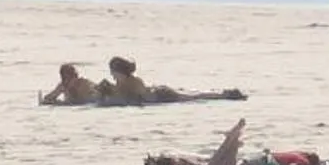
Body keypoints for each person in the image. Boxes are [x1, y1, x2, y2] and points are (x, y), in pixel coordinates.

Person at [141, 118, 329, 165]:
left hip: (257, 160)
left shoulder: (298, 155)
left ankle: (231, 141)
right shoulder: (301, 162)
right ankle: (230, 142)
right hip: (257, 164)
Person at [101, 56, 244, 104]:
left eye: (113, 71)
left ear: (120, 72)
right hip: (158, 93)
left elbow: (144, 98)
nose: (112, 74)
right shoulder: (122, 82)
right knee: (191, 95)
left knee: (192, 97)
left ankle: (225, 94)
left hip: (162, 94)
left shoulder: (134, 82)